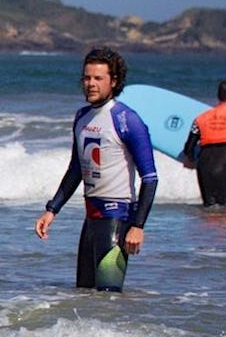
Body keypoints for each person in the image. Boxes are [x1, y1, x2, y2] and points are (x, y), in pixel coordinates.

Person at [35, 46, 158, 292]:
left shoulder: (127, 120)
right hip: (91, 218)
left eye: (98, 78)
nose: (91, 83)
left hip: (118, 217)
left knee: (109, 296)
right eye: (87, 77)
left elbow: (150, 178)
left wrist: (138, 226)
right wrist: (52, 210)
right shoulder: (82, 117)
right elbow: (75, 169)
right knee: (83, 293)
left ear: (113, 81)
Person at [181, 80, 226, 208]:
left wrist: (190, 159)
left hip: (204, 166)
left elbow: (189, 146)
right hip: (225, 166)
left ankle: (207, 229)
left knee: (209, 207)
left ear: (218, 96)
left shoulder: (200, 118)